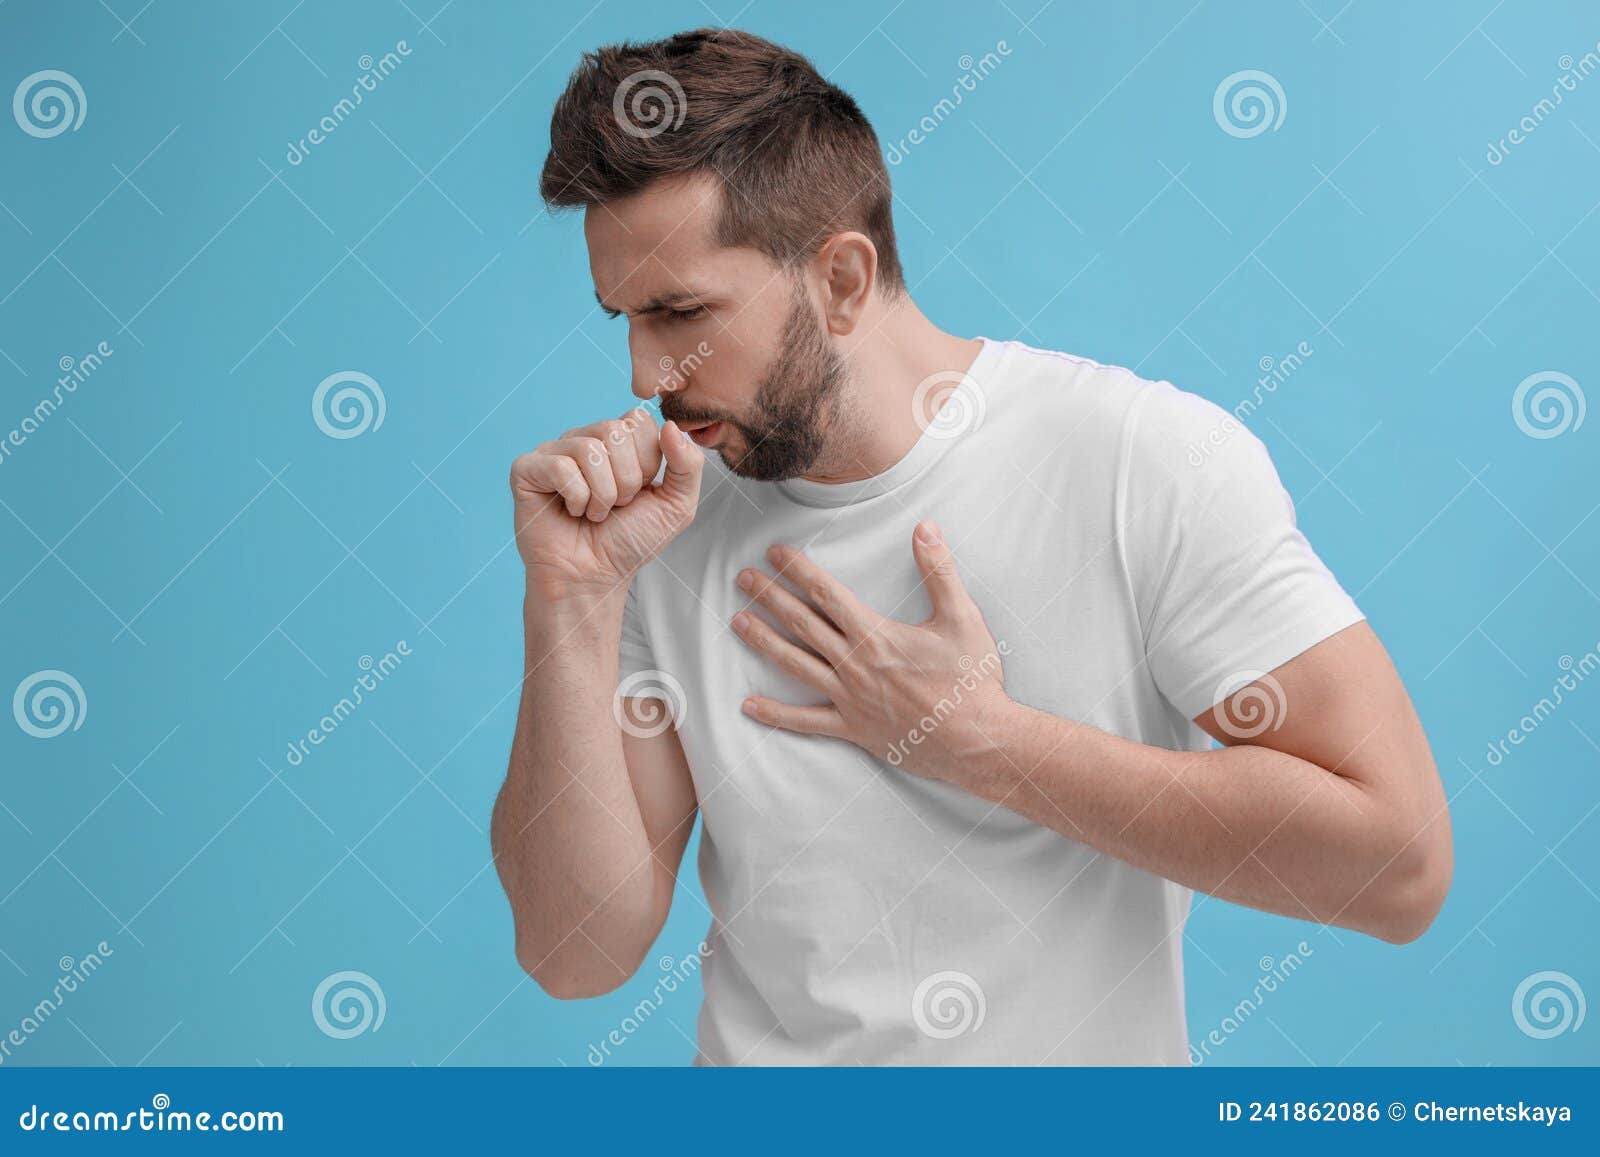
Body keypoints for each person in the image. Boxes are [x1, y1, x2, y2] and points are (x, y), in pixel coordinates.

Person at [491, 28, 1452, 1065]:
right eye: (625, 317)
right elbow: (574, 953)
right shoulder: (663, 526)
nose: (644, 372)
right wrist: (572, 598)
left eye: (681, 312)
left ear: (843, 280)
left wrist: (982, 741)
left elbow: (1395, 866)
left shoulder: (1139, 460)